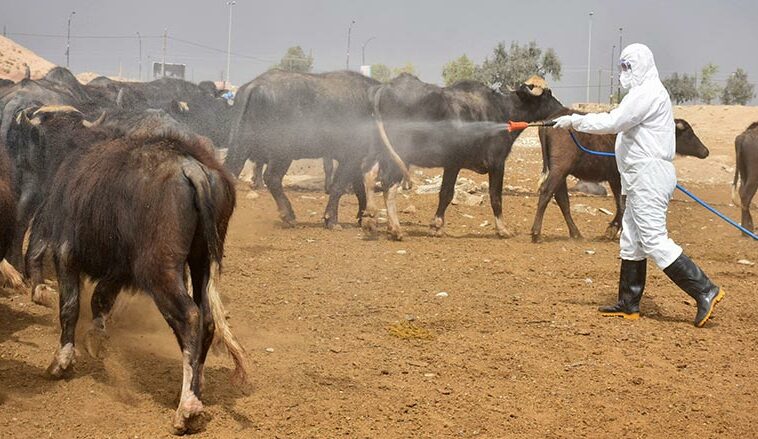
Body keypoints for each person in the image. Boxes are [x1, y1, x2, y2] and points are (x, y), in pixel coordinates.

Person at [553, 43, 725, 327]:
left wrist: (574, 121)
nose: (624, 72)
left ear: (643, 65)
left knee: (654, 239)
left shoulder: (648, 93)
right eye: (622, 67)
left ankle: (705, 289)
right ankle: (629, 302)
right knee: (631, 238)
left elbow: (616, 121)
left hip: (649, 175)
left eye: (628, 66)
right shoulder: (640, 94)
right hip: (637, 176)